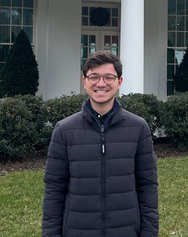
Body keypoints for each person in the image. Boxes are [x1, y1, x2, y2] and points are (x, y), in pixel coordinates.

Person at [42, 51, 159, 237]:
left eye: (109, 77)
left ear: (119, 82)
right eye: (94, 77)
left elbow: (147, 186)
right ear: (85, 81)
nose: (101, 83)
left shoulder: (138, 128)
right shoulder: (64, 130)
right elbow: (54, 189)